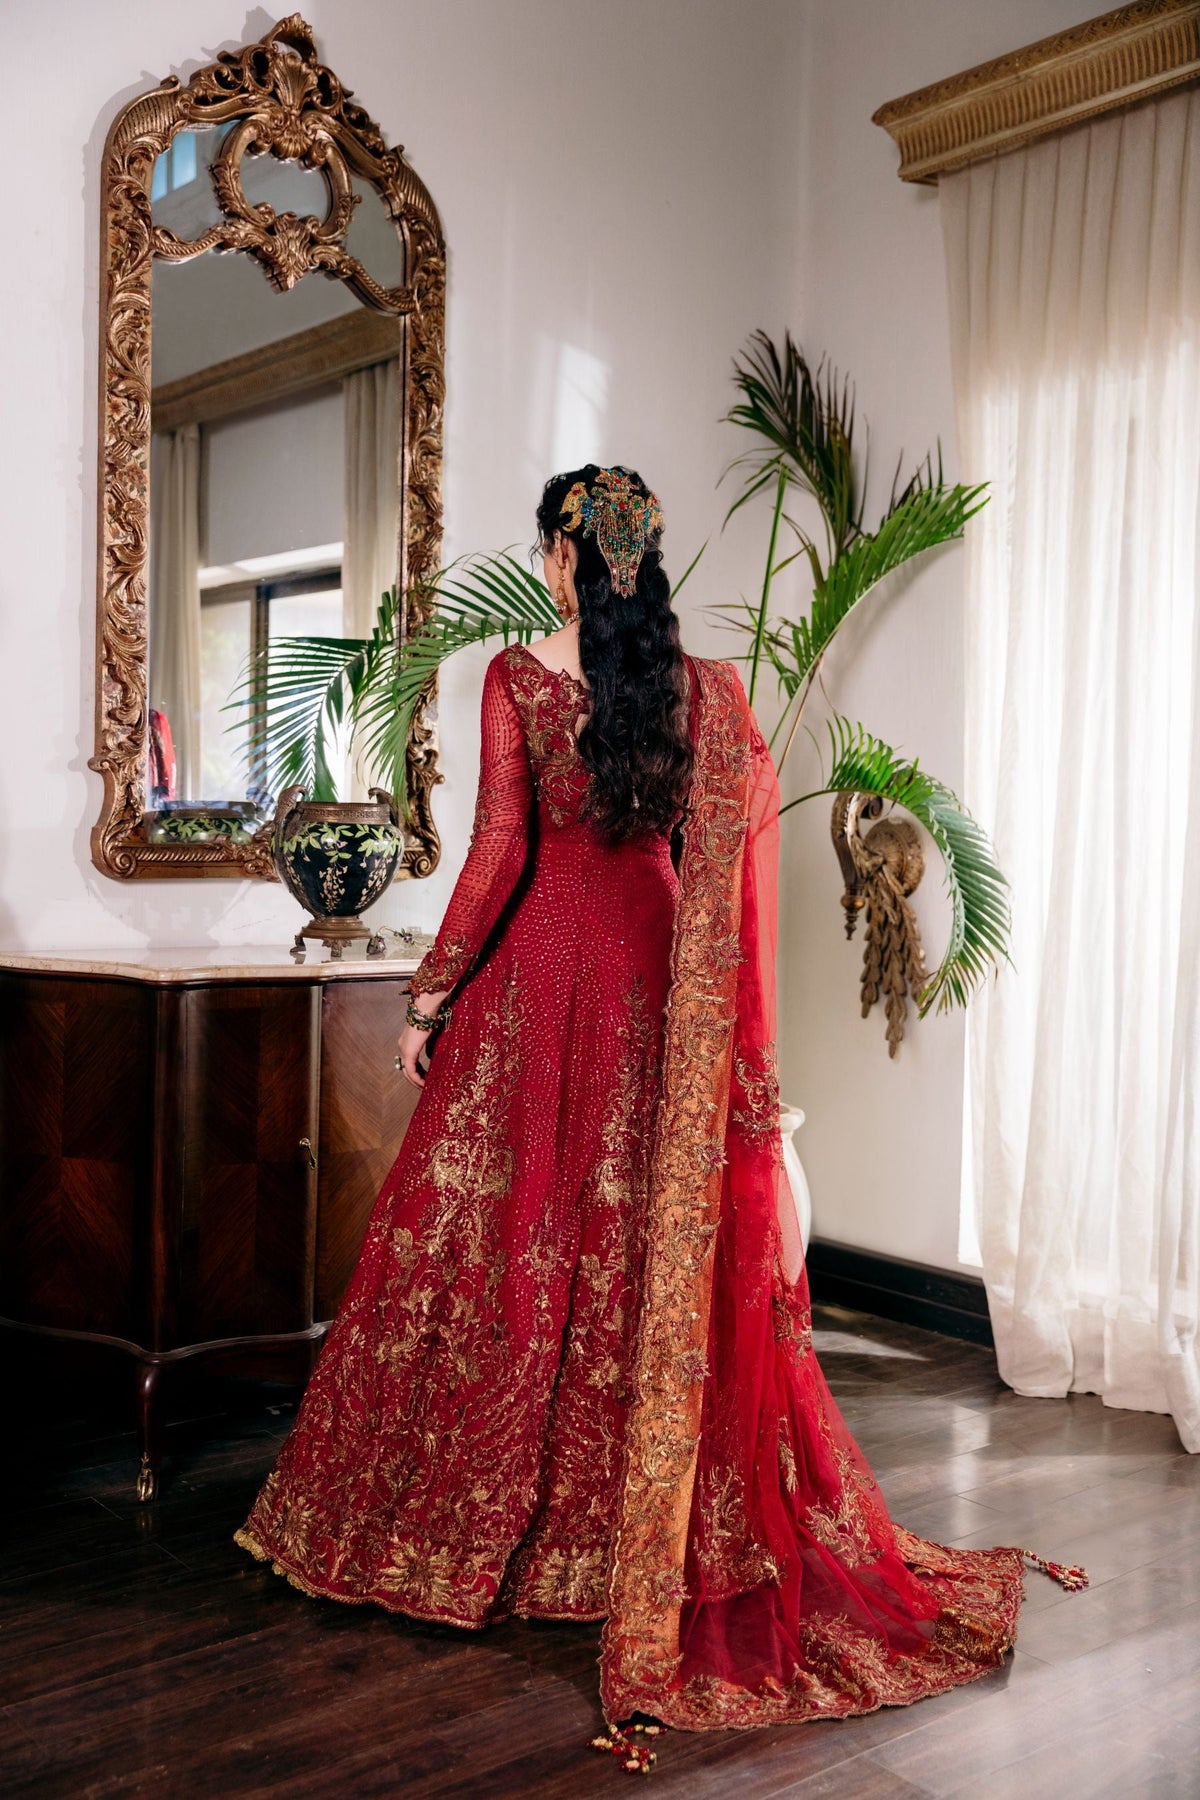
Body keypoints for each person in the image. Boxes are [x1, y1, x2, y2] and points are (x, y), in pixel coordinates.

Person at [235, 464, 1083, 1762]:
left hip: (540, 971)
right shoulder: (702, 690)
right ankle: (621, 1535)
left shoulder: (519, 678)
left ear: (563, 557)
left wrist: (430, 996)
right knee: (641, 1241)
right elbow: (708, 856)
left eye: (550, 549)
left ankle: (470, 1529)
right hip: (655, 975)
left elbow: (500, 853)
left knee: (505, 1231)